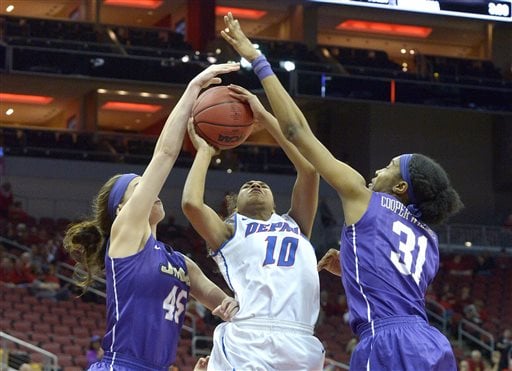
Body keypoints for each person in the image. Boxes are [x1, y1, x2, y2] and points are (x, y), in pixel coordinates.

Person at [221, 12, 464, 370]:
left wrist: (257, 62)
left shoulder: (362, 197)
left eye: (389, 167)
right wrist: (353, 264)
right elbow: (394, 282)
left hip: (387, 341)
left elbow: (296, 131)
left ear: (400, 187)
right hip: (431, 344)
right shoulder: (429, 239)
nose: (378, 169)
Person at [62, 63, 241, 371]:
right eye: (139, 186)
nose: (149, 188)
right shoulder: (126, 237)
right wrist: (193, 88)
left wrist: (237, 305)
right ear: (122, 210)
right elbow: (165, 155)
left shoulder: (182, 264)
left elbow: (222, 303)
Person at [182, 86, 325, 370]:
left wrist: (265, 118)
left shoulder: (295, 224)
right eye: (248, 185)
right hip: (250, 336)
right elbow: (191, 204)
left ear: (275, 204)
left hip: (301, 340)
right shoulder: (229, 233)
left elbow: (309, 169)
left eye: (263, 185)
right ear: (235, 207)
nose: (256, 184)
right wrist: (205, 152)